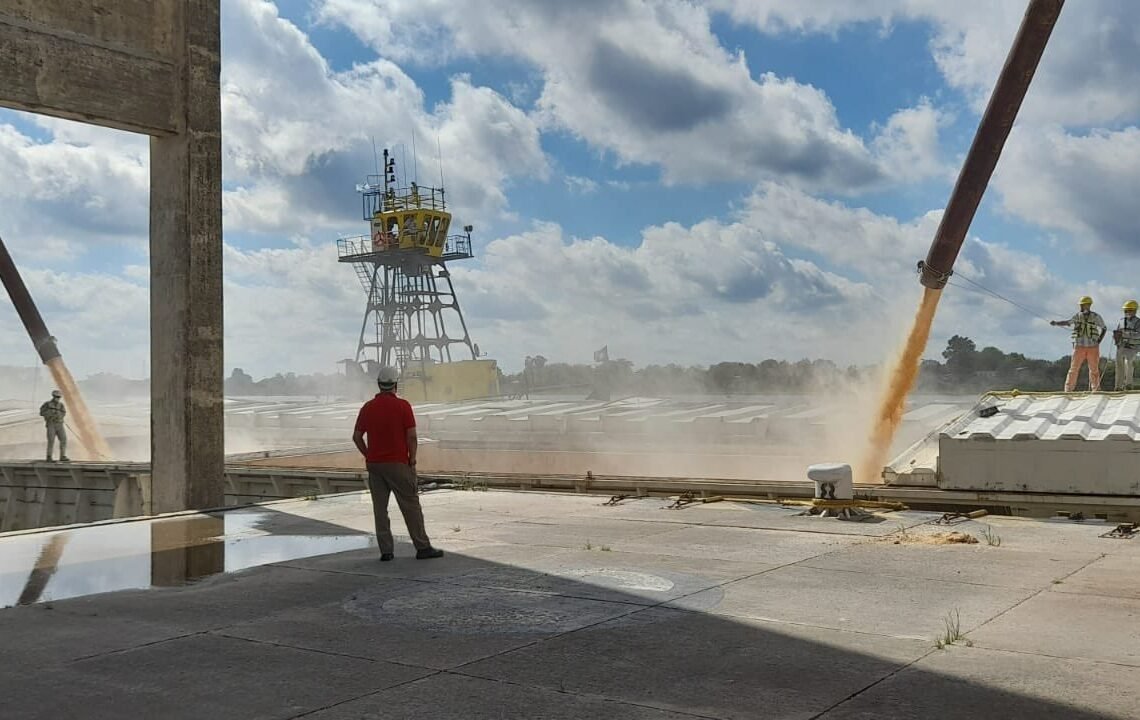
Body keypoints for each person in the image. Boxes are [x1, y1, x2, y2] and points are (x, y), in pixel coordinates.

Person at [352, 366, 443, 561]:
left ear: (379, 384)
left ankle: (386, 551)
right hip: (398, 464)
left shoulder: (367, 408)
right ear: (395, 384)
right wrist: (412, 459)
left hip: (375, 465)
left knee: (380, 509)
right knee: (410, 506)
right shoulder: (403, 406)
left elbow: (357, 437)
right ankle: (422, 547)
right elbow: (412, 436)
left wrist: (368, 454)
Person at [1051, 296, 1107, 392]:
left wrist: (1099, 341)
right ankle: (1068, 389)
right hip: (1079, 346)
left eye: (1082, 304)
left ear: (1088, 305)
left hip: (1093, 347)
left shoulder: (1096, 316)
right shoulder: (1077, 316)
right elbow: (1068, 322)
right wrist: (1056, 323)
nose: (1080, 306)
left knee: (1094, 370)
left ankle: (1096, 389)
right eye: (1080, 305)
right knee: (1073, 368)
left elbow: (1104, 328)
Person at [1113, 300, 1140, 391]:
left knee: (1128, 363)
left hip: (1133, 347)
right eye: (1126, 310)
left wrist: (1126, 334)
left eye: (1129, 310)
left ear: (1135, 311)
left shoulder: (1138, 322)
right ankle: (1118, 386)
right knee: (1119, 365)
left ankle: (1128, 384)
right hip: (1121, 346)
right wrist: (1116, 337)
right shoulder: (1121, 321)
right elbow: (1118, 332)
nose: (1127, 312)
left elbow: (1138, 335)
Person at [39, 390, 69, 462]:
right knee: (51, 441)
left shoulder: (61, 405)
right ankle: (49, 456)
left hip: (59, 424)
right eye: (56, 397)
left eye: (59, 397)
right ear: (53, 396)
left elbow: (64, 412)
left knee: (63, 439)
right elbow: (41, 412)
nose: (58, 398)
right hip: (51, 424)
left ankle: (62, 456)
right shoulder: (47, 404)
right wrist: (50, 415)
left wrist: (59, 416)